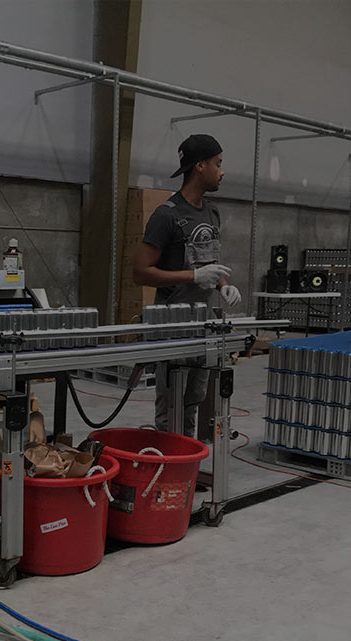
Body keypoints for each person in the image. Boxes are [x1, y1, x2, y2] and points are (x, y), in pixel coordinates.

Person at [132, 134, 242, 437]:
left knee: (194, 400)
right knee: (170, 407)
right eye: (218, 164)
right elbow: (140, 272)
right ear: (200, 165)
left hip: (202, 324)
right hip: (171, 325)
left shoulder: (211, 212)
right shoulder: (166, 215)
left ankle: (187, 472)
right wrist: (192, 278)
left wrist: (222, 285)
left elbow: (209, 260)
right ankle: (167, 474)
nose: (222, 171)